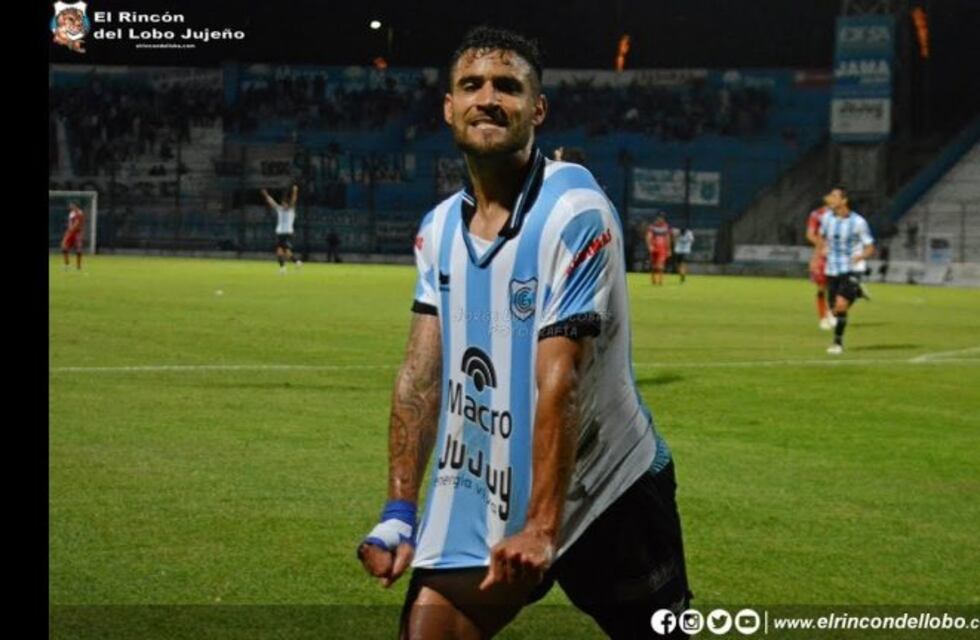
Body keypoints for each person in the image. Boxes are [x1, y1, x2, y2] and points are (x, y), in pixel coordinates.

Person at [356, 26, 691, 639]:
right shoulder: (438, 230)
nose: (488, 98)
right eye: (471, 85)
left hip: (607, 488)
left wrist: (542, 527)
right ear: (449, 107)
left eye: (507, 87)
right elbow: (420, 376)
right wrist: (399, 512)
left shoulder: (572, 211)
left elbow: (560, 380)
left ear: (537, 109)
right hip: (488, 489)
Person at [817, 185, 875, 355]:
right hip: (832, 267)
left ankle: (837, 343)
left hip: (852, 267)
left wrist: (860, 256)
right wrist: (823, 248)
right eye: (831, 196)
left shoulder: (858, 222)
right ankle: (856, 292)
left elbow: (870, 247)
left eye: (835, 196)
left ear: (844, 200)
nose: (831, 199)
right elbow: (821, 236)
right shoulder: (827, 218)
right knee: (834, 308)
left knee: (841, 306)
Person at [805, 197, 835, 330]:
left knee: (837, 286)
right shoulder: (817, 215)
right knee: (822, 287)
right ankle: (823, 317)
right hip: (822, 254)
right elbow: (810, 235)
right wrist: (822, 247)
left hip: (838, 255)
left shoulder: (844, 216)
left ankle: (832, 313)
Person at [260, 185, 302, 274]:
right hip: (280, 233)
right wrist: (266, 195)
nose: (283, 205)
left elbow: (294, 200)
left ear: (287, 204)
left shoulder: (291, 210)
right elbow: (272, 202)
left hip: (287, 233)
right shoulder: (280, 209)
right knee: (286, 252)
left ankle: (283, 268)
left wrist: (295, 191)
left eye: (284, 203)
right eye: (282, 203)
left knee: (279, 251)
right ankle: (297, 262)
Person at [646, 213, 672, 286]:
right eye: (659, 219)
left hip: (662, 248)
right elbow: (648, 237)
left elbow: (668, 238)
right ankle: (654, 280)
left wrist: (668, 249)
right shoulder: (652, 227)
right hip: (654, 247)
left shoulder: (665, 227)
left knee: (661, 264)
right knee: (653, 265)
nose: (660, 220)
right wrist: (650, 246)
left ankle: (660, 281)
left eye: (662, 219)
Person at [60, 201, 85, 271]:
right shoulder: (71, 213)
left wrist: (72, 229)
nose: (70, 206)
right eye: (70, 205)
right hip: (70, 232)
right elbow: (70, 223)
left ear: (75, 205)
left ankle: (78, 266)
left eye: (71, 205)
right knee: (64, 248)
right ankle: (67, 264)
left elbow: (77, 224)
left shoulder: (80, 213)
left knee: (79, 250)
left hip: (77, 233)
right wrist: (69, 230)